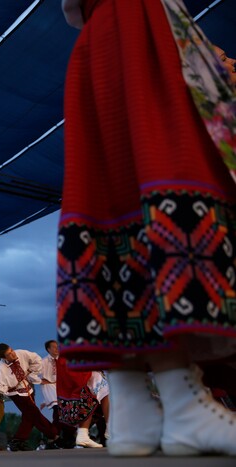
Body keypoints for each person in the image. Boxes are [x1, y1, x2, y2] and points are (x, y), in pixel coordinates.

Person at [58, 0, 236, 457]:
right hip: (134, 21)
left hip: (108, 29)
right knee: (160, 176)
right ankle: (180, 398)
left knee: (114, 194)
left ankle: (136, 403)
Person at [0, 343, 59, 451]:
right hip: (16, 394)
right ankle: (54, 435)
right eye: (9, 354)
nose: (13, 354)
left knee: (29, 416)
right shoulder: (1, 369)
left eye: (12, 350)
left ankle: (18, 440)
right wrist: (8, 387)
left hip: (28, 389)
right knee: (34, 413)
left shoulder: (21, 353)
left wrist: (29, 372)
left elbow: (36, 359)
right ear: (4, 358)